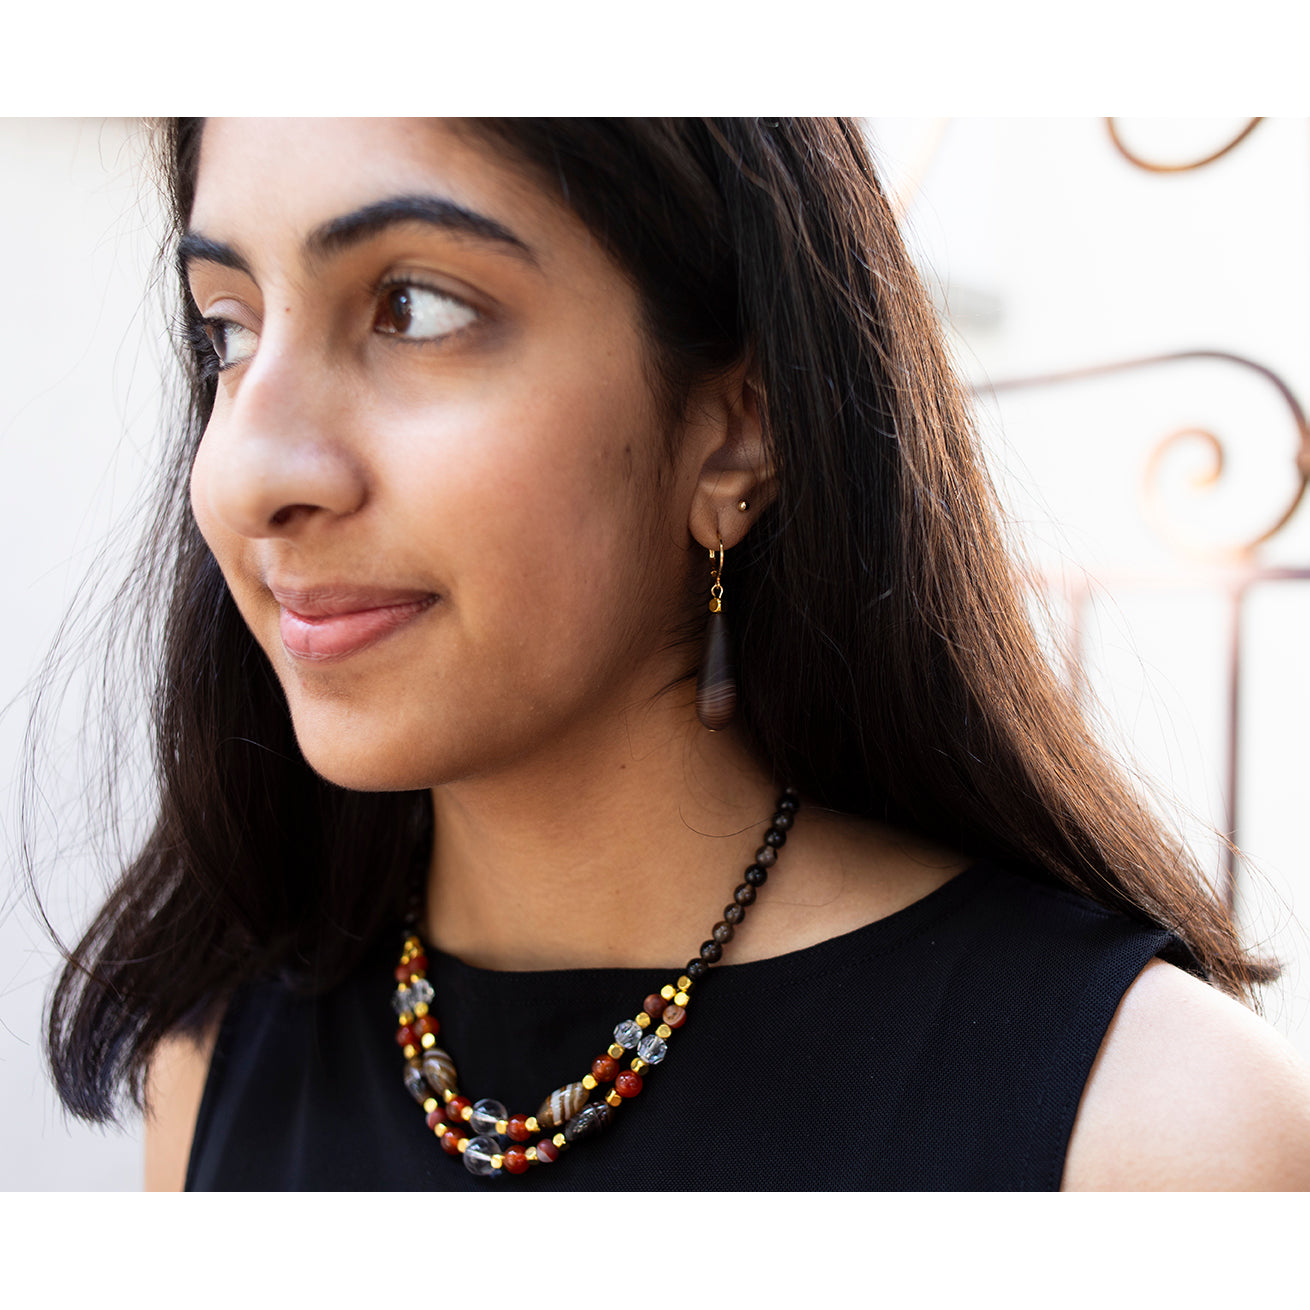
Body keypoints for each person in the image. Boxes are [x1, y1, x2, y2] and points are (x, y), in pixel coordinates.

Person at [41, 117, 1310, 1190]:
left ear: (736, 431)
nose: (253, 472)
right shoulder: (211, 1067)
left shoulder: (1152, 1136)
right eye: (228, 330)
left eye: (412, 308)